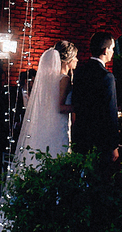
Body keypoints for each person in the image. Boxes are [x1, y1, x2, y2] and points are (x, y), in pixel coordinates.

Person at [13, 40, 78, 171]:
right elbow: (60, 107)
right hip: (59, 126)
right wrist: (80, 106)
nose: (77, 60)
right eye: (75, 56)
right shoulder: (64, 79)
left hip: (47, 125)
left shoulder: (49, 79)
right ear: (68, 60)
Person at [72, 31, 119, 168]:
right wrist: (113, 145)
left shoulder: (79, 72)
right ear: (105, 50)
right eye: (112, 49)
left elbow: (76, 103)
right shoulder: (106, 76)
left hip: (81, 135)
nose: (112, 52)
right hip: (100, 139)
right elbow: (110, 111)